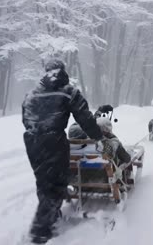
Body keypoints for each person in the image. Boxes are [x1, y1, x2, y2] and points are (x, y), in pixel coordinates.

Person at [21, 59, 104, 244]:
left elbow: (25, 119)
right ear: (63, 71)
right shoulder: (69, 92)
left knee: (43, 180)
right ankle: (40, 232)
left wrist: (37, 132)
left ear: (46, 72)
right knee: (57, 182)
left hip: (32, 141)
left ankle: (51, 214)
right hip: (53, 140)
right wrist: (98, 137)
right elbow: (85, 118)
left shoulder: (32, 94)